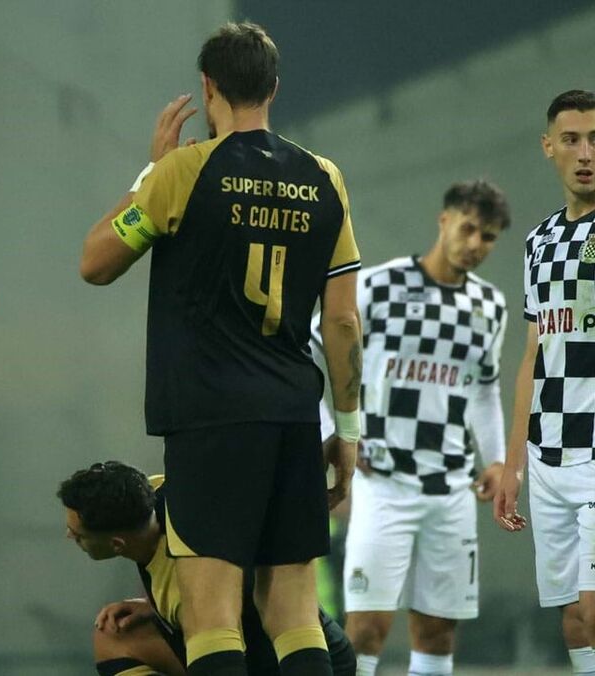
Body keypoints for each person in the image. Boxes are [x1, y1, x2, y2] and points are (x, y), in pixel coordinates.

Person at [79, 22, 362, 676]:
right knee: (294, 613)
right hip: (293, 416)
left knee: (211, 618)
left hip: (209, 419)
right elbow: (343, 322)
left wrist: (150, 173)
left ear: (208, 87)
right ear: (274, 88)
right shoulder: (324, 179)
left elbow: (96, 262)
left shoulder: (184, 172)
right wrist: (347, 430)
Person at [312, 180, 511, 676]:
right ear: (444, 221)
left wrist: (496, 458)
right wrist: (331, 432)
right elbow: (310, 351)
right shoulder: (378, 287)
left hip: (451, 489)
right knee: (365, 630)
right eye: (468, 228)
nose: (475, 244)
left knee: (438, 631)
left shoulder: (490, 306)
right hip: (383, 484)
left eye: (488, 237)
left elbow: (484, 389)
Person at [58, 461, 357, 676]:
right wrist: (152, 608)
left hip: (302, 662)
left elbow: (227, 659)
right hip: (313, 637)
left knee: (117, 641)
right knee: (113, 634)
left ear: (117, 544)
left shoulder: (185, 592)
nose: (69, 535)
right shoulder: (157, 491)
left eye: (79, 535)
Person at [495, 89, 595, 676]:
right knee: (573, 616)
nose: (586, 153)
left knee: (594, 606)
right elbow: (534, 353)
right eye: (572, 139)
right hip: (548, 454)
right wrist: (514, 463)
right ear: (548, 147)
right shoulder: (539, 242)